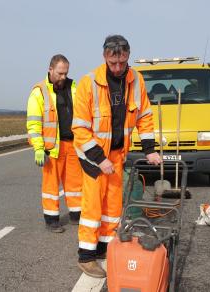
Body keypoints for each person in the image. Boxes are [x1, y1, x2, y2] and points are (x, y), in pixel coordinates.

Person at [72, 35, 162, 278]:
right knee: (92, 207)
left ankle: (105, 248)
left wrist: (150, 149)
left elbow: (144, 116)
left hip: (117, 155)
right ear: (105, 58)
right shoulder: (88, 83)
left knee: (113, 206)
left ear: (128, 56)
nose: (119, 68)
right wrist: (100, 158)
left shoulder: (136, 80)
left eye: (122, 62)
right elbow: (80, 128)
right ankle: (87, 256)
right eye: (113, 63)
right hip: (93, 157)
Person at [26, 54, 82, 233]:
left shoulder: (74, 87)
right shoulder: (39, 91)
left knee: (75, 184)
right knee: (51, 186)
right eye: (60, 73)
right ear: (50, 70)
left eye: (66, 73)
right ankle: (51, 220)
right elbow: (34, 123)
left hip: (73, 144)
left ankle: (77, 215)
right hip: (52, 149)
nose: (63, 77)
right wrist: (38, 148)